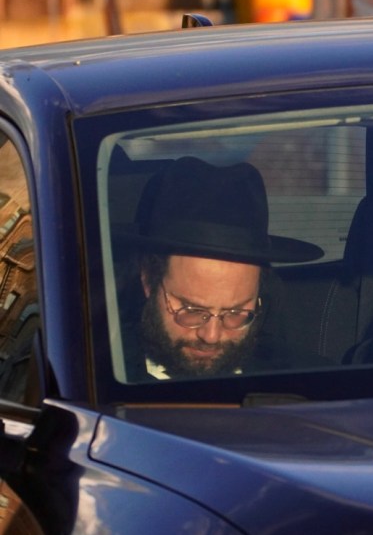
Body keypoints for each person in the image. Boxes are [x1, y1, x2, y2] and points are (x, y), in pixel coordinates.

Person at [120, 156, 323, 379]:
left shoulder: (306, 381)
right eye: (192, 311)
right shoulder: (99, 378)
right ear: (148, 281)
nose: (211, 336)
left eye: (236, 313)